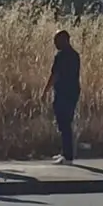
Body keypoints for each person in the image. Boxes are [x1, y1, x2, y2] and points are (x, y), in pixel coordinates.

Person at [41, 29, 81, 164]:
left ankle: (68, 156)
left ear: (64, 40)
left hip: (63, 93)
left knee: (64, 123)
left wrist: (45, 91)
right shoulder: (75, 55)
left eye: (57, 41)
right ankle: (66, 153)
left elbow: (55, 75)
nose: (55, 44)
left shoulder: (61, 56)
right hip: (73, 92)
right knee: (66, 123)